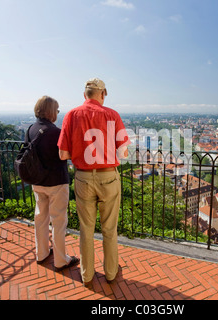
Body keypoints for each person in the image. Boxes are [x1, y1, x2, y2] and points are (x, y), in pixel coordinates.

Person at [57, 78, 130, 287]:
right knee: (109, 228)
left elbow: (63, 154)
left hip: (83, 177)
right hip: (108, 176)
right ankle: (110, 272)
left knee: (86, 228)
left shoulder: (71, 115)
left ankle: (87, 274)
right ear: (103, 94)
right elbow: (123, 151)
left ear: (84, 95)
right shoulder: (112, 115)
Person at [29, 95, 79, 271]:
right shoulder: (57, 132)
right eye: (57, 110)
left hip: (37, 181)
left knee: (40, 218)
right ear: (51, 111)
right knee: (58, 222)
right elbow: (66, 154)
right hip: (56, 182)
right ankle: (60, 260)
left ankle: (41, 253)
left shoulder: (31, 129)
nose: (58, 113)